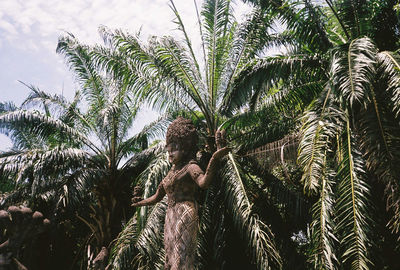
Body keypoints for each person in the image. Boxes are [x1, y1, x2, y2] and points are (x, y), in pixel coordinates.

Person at [131, 117, 229, 270]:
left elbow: (204, 183)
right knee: (169, 258)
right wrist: (140, 202)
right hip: (170, 215)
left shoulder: (191, 167)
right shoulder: (171, 173)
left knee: (182, 257)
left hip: (185, 212)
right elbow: (156, 197)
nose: (170, 154)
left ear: (185, 148)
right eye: (168, 150)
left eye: (174, 149)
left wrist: (215, 158)